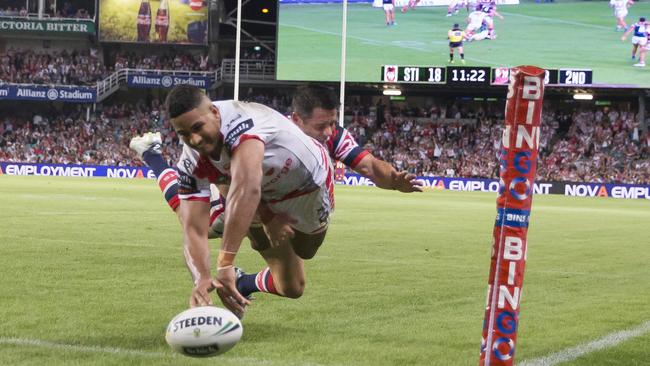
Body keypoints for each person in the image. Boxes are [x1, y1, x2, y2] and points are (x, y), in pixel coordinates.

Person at [130, 85, 423, 314]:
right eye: (322, 126)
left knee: (295, 282)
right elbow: (244, 187)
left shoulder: (323, 137)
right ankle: (153, 155)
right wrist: (206, 274)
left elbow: (371, 166)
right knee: (195, 221)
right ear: (296, 120)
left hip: (301, 194)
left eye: (331, 124)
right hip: (251, 198)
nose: (329, 132)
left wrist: (393, 181)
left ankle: (245, 282)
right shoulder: (232, 137)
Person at [165, 84, 335, 317]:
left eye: (197, 127)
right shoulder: (190, 159)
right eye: (183, 134)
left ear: (214, 113)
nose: (193, 140)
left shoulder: (241, 124)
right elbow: (194, 229)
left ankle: (239, 272)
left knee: (306, 251)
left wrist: (224, 264)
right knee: (292, 287)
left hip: (303, 187)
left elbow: (247, 187)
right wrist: (201, 279)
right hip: (253, 194)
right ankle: (153, 157)